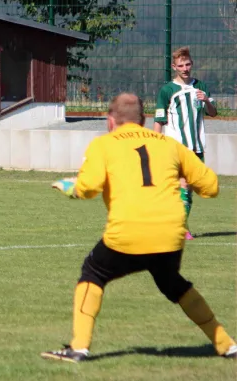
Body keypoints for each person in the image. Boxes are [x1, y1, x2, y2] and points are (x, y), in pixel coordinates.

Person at [43, 93, 236, 363]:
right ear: (143, 120)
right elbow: (211, 187)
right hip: (171, 232)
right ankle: (226, 344)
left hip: (128, 232)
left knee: (93, 273)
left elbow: (87, 188)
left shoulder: (104, 144)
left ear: (110, 121)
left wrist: (69, 186)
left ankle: (79, 348)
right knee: (173, 284)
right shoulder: (170, 144)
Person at [153, 46, 217, 240]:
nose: (185, 68)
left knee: (187, 189)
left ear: (192, 64)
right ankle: (180, 228)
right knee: (183, 183)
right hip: (176, 147)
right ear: (174, 67)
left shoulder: (201, 86)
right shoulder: (167, 90)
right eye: (181, 65)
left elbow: (213, 113)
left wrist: (206, 100)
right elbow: (159, 120)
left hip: (197, 146)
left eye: (188, 64)